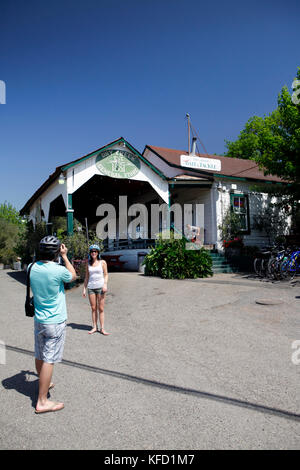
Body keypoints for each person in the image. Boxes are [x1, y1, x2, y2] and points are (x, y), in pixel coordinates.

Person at [29, 236, 76, 414]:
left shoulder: (31, 268)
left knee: (40, 353)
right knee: (49, 359)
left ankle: (44, 383)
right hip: (55, 320)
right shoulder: (57, 270)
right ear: (56, 252)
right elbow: (73, 276)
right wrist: (65, 257)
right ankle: (42, 401)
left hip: (39, 318)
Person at [83, 244, 109, 335]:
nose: (93, 253)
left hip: (101, 288)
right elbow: (86, 277)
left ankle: (102, 328)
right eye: (92, 251)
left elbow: (106, 274)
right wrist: (84, 289)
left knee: (101, 308)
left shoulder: (102, 262)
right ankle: (94, 327)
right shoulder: (88, 264)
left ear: (98, 253)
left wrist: (105, 285)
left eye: (95, 251)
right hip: (91, 288)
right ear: (90, 253)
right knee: (93, 308)